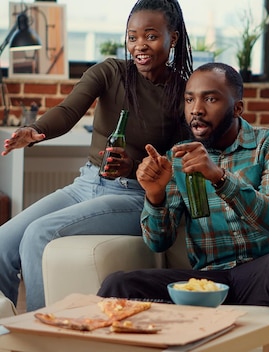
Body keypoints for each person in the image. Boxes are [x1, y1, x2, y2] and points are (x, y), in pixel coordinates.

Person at [97, 62, 269, 352]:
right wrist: (154, 195)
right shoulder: (177, 158)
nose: (196, 109)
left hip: (263, 275)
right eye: (190, 99)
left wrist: (219, 177)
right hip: (209, 281)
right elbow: (158, 243)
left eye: (210, 99)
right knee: (119, 286)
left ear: (237, 108)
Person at [0, 0, 193, 311]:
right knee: (2, 243)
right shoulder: (110, 71)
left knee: (39, 235)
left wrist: (133, 167)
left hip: (134, 197)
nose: (139, 45)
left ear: (174, 37)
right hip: (86, 185)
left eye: (151, 36)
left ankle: (41, 336)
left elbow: (176, 161)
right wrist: (35, 131)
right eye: (132, 37)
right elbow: (68, 110)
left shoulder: (183, 93)